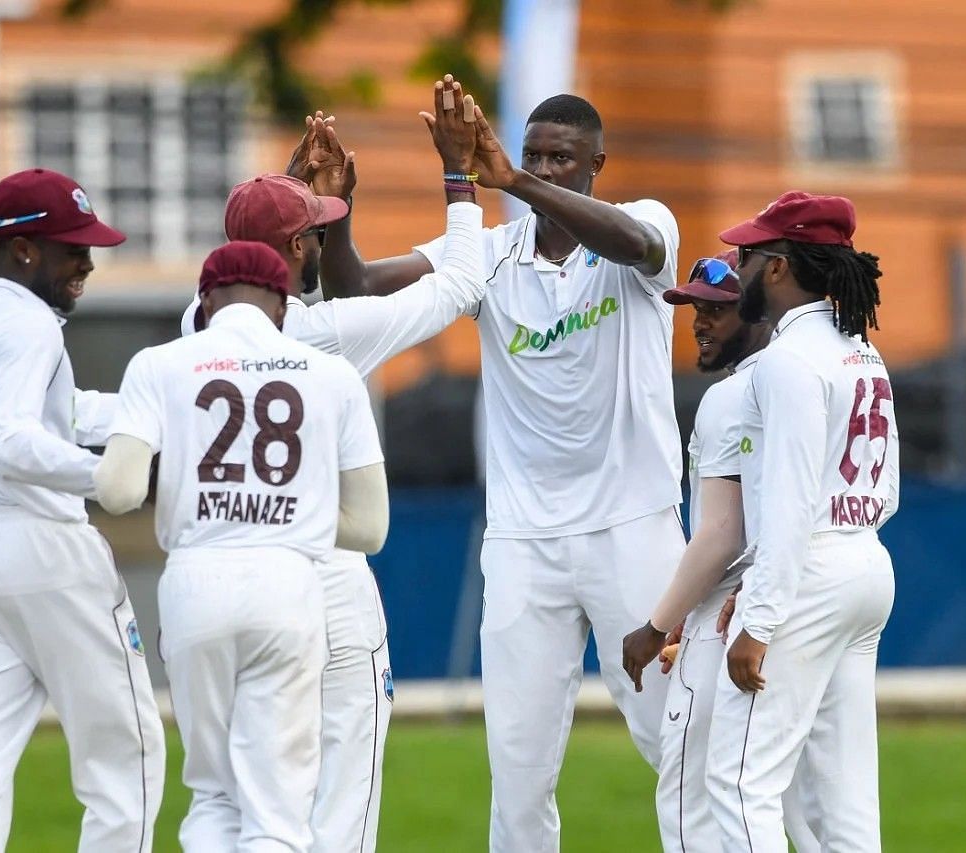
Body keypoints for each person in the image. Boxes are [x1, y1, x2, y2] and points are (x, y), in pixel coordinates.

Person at [320, 79, 685, 852]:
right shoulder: (486, 256)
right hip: (524, 542)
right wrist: (335, 215)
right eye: (532, 156)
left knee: (681, 744)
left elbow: (640, 247)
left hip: (635, 529)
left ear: (597, 164)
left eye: (562, 159)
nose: (545, 169)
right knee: (517, 775)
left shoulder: (644, 228)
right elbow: (353, 291)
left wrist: (511, 183)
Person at [175, 82, 487, 852]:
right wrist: (459, 177)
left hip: (219, 578)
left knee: (236, 795)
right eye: (312, 231)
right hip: (325, 581)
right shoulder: (329, 337)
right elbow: (463, 282)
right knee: (341, 796)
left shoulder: (193, 327)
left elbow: (262, 256)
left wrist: (284, 194)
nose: (322, 240)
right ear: (293, 252)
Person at [93, 240, 389, 852]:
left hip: (196, 582)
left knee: (214, 795)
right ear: (282, 303)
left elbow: (118, 492)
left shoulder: (159, 363)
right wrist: (292, 508)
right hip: (287, 584)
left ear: (205, 302)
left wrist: (189, 490)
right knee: (276, 805)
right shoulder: (332, 375)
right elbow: (370, 528)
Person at [0, 167, 165, 852]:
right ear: (25, 249)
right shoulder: (30, 323)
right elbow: (11, 441)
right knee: (127, 754)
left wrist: (159, 413)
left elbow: (56, 413)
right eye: (73, 248)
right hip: (45, 549)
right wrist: (109, 476)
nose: (87, 262)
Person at [704, 191, 899, 853]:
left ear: (780, 267)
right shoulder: (861, 350)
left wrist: (759, 617)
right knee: (842, 798)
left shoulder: (787, 360)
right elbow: (888, 486)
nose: (739, 265)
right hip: (866, 558)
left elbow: (787, 502)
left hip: (811, 564)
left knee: (736, 781)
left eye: (749, 254)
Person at [620, 250, 817, 853]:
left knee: (697, 796)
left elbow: (721, 534)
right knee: (799, 803)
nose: (699, 323)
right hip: (802, 600)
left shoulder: (736, 395)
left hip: (738, 615)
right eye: (694, 310)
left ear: (756, 310)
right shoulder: (815, 371)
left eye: (717, 310)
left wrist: (656, 626)